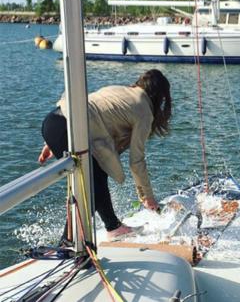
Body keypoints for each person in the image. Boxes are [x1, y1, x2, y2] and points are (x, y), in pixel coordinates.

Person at [38, 69, 172, 241]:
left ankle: (113, 227)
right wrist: (148, 197)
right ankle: (67, 241)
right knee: (92, 186)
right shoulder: (144, 110)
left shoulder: (120, 90)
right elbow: (136, 161)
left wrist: (52, 141)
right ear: (160, 96)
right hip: (67, 129)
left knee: (98, 175)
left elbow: (91, 110)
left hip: (54, 121)